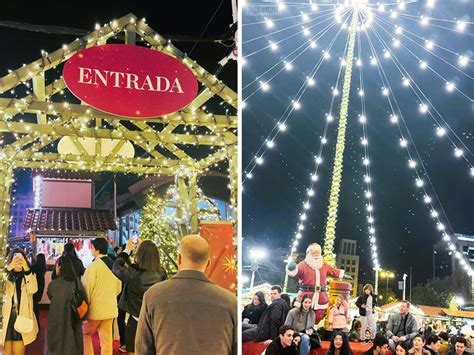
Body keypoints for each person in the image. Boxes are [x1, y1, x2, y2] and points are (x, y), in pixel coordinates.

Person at [135, 234, 237, 354]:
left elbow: (143, 348)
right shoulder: (230, 301)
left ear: (179, 258)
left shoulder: (153, 295)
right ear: (208, 263)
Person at [112, 238, 167, 354]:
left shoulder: (133, 272)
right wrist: (146, 247)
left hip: (135, 320)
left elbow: (116, 267)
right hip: (155, 321)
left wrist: (127, 250)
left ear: (139, 254)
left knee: (133, 351)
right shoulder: (162, 274)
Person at [286, 243, 351, 323]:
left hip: (321, 296)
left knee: (318, 316)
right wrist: (292, 265)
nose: (316, 254)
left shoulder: (324, 265)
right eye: (313, 252)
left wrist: (343, 274)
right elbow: (294, 272)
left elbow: (333, 271)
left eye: (318, 252)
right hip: (306, 295)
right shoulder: (303, 265)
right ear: (308, 253)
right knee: (302, 317)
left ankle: (313, 329)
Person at [81, 238, 122, 355]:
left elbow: (86, 289)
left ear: (96, 250)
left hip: (95, 310)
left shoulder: (93, 267)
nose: (91, 249)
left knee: (85, 334)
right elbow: (118, 287)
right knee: (106, 341)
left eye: (92, 247)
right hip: (110, 309)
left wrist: (85, 310)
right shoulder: (114, 265)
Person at [45, 255, 87, 355]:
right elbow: (84, 300)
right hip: (74, 321)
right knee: (72, 346)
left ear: (59, 267)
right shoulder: (77, 283)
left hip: (56, 320)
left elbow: (50, 295)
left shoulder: (54, 284)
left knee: (55, 347)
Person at [0, 248, 39, 354]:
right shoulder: (5, 276)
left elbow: (33, 289)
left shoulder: (29, 276)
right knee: (6, 352)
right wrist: (8, 269)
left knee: (19, 352)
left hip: (22, 317)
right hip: (6, 319)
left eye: (21, 258)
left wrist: (27, 269)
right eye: (15, 258)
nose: (18, 261)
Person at [30, 253, 46, 331]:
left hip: (34, 287)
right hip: (40, 286)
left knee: (33, 307)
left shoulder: (34, 267)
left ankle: (34, 325)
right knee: (36, 305)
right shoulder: (43, 268)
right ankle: (37, 325)